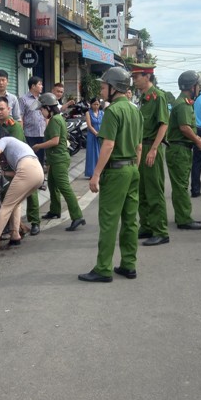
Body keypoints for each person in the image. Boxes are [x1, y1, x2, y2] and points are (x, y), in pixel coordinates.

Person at [78, 67, 142, 283]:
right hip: (132, 168)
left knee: (109, 220)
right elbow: (140, 146)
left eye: (104, 86)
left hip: (116, 171)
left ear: (115, 88)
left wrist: (96, 174)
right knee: (130, 220)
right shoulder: (135, 111)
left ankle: (103, 268)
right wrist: (135, 168)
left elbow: (108, 144)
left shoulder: (113, 111)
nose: (102, 90)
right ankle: (128, 264)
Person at [0, 136, 43, 253]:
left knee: (6, 206)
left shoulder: (4, 140)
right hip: (38, 172)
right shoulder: (20, 146)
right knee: (15, 203)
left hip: (27, 170)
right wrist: (2, 172)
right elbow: (15, 172)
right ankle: (15, 234)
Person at [31, 93, 85, 231]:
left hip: (59, 159)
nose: (41, 112)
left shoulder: (55, 120)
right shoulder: (57, 118)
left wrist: (38, 146)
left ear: (48, 108)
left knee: (64, 188)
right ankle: (55, 210)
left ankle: (77, 216)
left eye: (42, 109)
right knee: (52, 184)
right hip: (55, 158)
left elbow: (55, 141)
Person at [0, 97, 41, 236]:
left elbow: (13, 147)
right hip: (4, 165)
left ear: (9, 109)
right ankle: (15, 229)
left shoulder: (14, 126)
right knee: (9, 197)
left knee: (29, 195)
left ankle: (35, 222)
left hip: (20, 164)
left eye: (1, 109)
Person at [131, 65, 170, 246]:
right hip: (141, 147)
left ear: (147, 77)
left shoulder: (158, 97)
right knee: (142, 190)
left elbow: (163, 124)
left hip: (151, 147)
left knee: (154, 190)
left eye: (137, 76)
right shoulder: (143, 98)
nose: (134, 80)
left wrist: (154, 149)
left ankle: (160, 231)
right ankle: (146, 226)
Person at [166, 72, 201, 232]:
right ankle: (184, 219)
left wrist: (196, 137)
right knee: (181, 186)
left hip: (180, 148)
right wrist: (198, 141)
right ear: (192, 87)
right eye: (198, 86)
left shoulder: (185, 102)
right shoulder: (183, 104)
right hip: (179, 150)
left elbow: (186, 127)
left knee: (180, 185)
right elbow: (184, 128)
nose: (199, 89)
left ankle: (182, 216)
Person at [18, 76, 47, 165]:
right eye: (40, 84)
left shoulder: (43, 99)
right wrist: (21, 132)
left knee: (41, 158)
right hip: (29, 134)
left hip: (42, 133)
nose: (42, 86)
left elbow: (47, 116)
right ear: (33, 86)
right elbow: (20, 116)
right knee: (30, 158)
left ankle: (40, 177)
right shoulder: (23, 99)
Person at [84, 96, 103, 178]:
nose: (96, 106)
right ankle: (91, 173)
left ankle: (100, 172)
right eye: (94, 104)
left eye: (97, 104)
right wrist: (96, 133)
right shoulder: (88, 113)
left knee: (100, 153)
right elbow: (89, 125)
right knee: (92, 154)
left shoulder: (102, 113)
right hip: (92, 135)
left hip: (101, 135)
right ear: (91, 105)